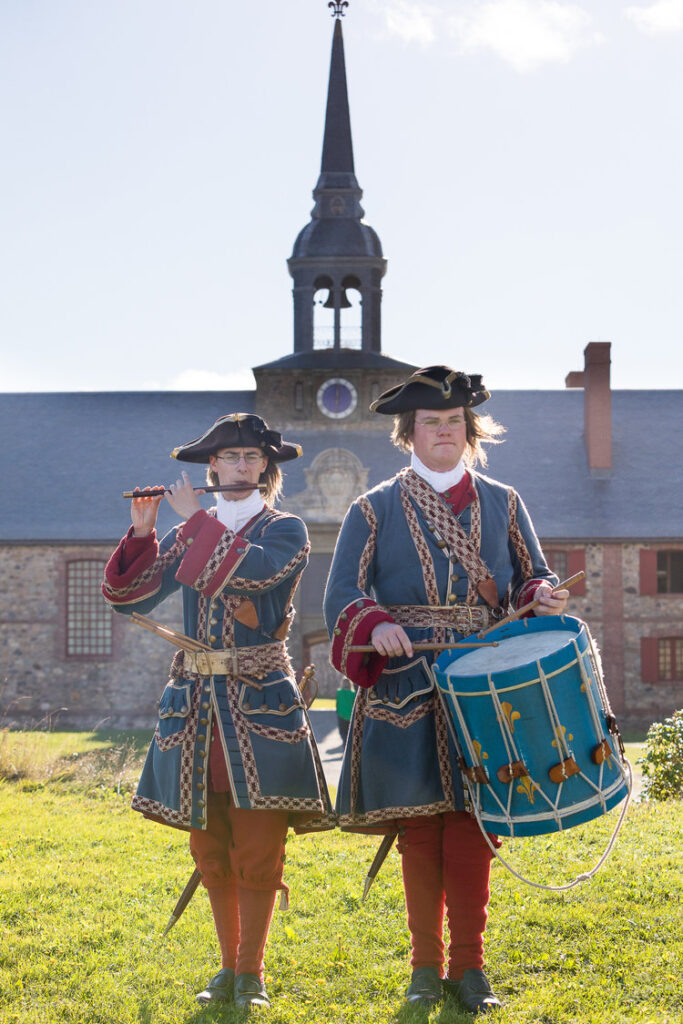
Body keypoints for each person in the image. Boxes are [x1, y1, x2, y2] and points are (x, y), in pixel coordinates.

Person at [323, 367, 568, 1013]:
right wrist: (374, 624)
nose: (442, 432)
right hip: (406, 683)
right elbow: (342, 594)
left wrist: (539, 595)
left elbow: (528, 577)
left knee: (472, 829)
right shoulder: (370, 507)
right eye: (429, 423)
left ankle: (470, 968)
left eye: (452, 422)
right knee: (420, 833)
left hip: (485, 684)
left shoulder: (505, 501)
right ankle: (423, 970)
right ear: (408, 433)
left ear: (469, 431)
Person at [103, 413, 332, 1010]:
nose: (241, 466)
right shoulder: (186, 532)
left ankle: (251, 974)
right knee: (209, 846)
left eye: (252, 458)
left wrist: (194, 522)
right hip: (194, 705)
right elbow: (128, 596)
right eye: (229, 457)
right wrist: (143, 531)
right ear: (212, 467)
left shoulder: (285, 529)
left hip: (262, 702)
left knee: (258, 846)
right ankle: (226, 969)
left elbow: (256, 577)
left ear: (265, 468)